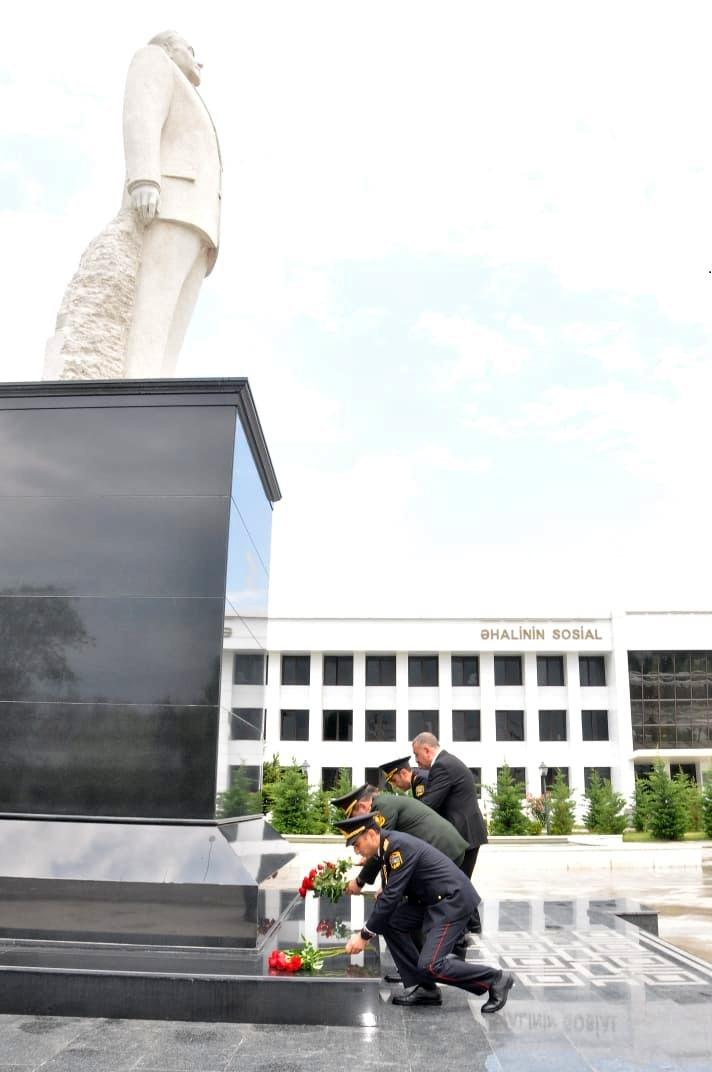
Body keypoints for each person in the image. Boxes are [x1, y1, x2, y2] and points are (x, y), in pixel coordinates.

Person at [339, 812, 514, 1011]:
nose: (356, 851)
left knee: (431, 966)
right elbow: (391, 893)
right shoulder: (387, 847)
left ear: (371, 835)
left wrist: (364, 935)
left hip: (451, 902)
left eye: (357, 845)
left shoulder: (397, 847)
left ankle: (496, 979)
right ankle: (425, 988)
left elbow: (391, 897)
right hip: (432, 902)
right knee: (390, 921)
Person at [122, 31, 222, 376]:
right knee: (152, 310)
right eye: (190, 50)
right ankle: (135, 386)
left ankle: (157, 388)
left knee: (173, 327)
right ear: (168, 48)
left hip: (198, 217)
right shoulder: (154, 60)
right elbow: (142, 116)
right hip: (170, 206)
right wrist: (145, 179)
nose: (199, 61)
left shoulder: (187, 90)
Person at [412, 732, 487, 932]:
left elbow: (430, 804)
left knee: (456, 883)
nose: (416, 760)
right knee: (459, 882)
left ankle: (466, 928)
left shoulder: (442, 766)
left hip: (464, 835)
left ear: (427, 750)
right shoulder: (447, 762)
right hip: (466, 833)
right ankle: (472, 926)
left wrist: (407, 814)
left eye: (416, 754)